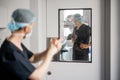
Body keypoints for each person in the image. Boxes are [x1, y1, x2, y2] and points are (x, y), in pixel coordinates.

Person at [0, 8, 61, 80]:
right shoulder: (11, 51)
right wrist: (50, 53)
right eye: (32, 25)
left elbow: (33, 58)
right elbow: (36, 76)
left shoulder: (16, 43)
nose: (32, 28)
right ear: (26, 28)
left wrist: (49, 49)